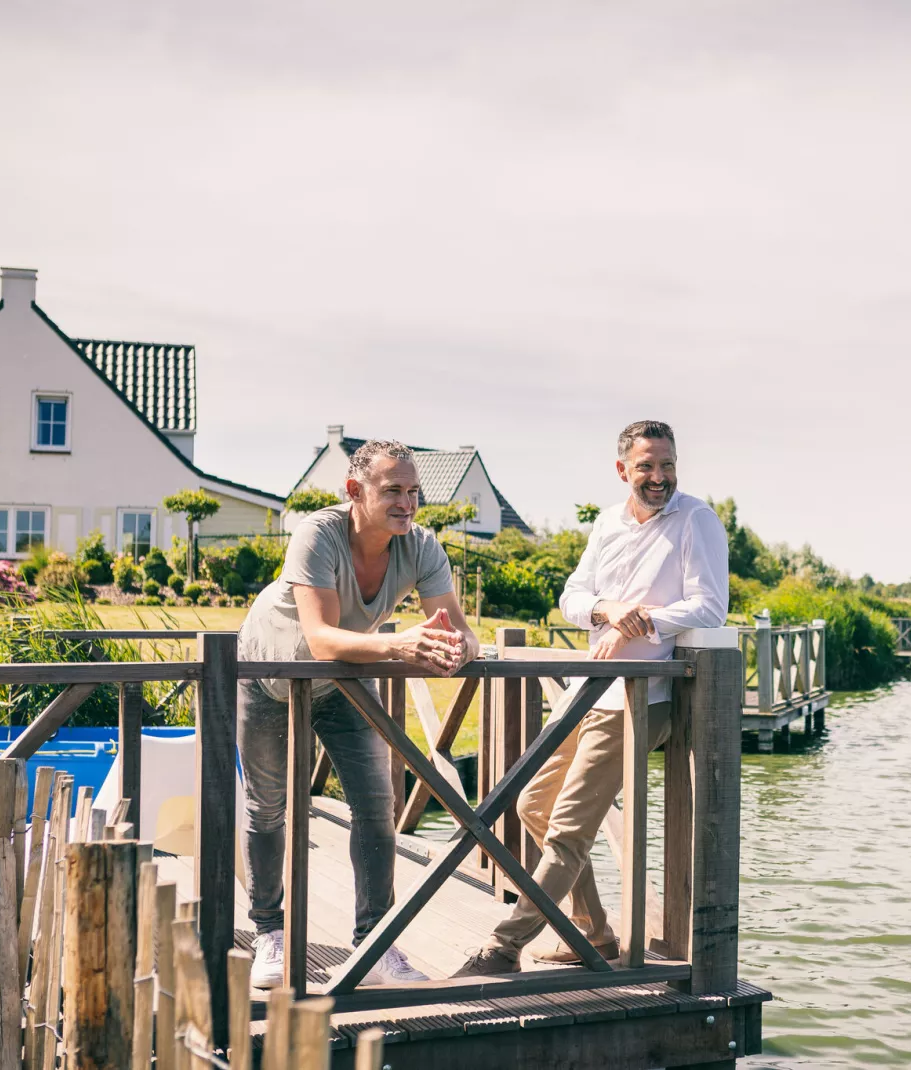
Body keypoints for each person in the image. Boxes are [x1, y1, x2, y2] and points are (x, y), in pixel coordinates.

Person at [454, 419, 728, 976]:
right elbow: (572, 597)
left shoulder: (697, 520)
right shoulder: (607, 522)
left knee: (569, 828)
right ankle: (593, 933)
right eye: (647, 465)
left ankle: (503, 946)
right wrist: (605, 612)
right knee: (534, 805)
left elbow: (710, 607)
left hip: (641, 698)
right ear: (623, 469)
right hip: (585, 691)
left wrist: (641, 621)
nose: (660, 476)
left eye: (668, 464)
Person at [238, 439, 479, 988]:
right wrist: (400, 646)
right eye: (392, 489)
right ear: (355, 491)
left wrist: (461, 648)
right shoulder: (318, 535)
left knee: (376, 805)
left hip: (344, 678)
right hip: (270, 672)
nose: (407, 502)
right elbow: (321, 638)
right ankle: (269, 935)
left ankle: (375, 948)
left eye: (414, 491)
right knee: (270, 807)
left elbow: (456, 628)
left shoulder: (420, 547)